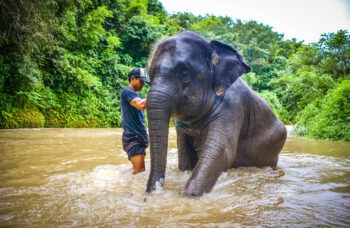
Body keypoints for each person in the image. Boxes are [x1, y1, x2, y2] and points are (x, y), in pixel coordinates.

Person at [120, 67, 150, 174]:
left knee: (139, 172)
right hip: (133, 138)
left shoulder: (139, 95)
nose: (143, 85)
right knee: (140, 172)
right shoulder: (127, 92)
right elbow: (141, 105)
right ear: (133, 78)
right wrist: (156, 93)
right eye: (141, 81)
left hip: (139, 137)